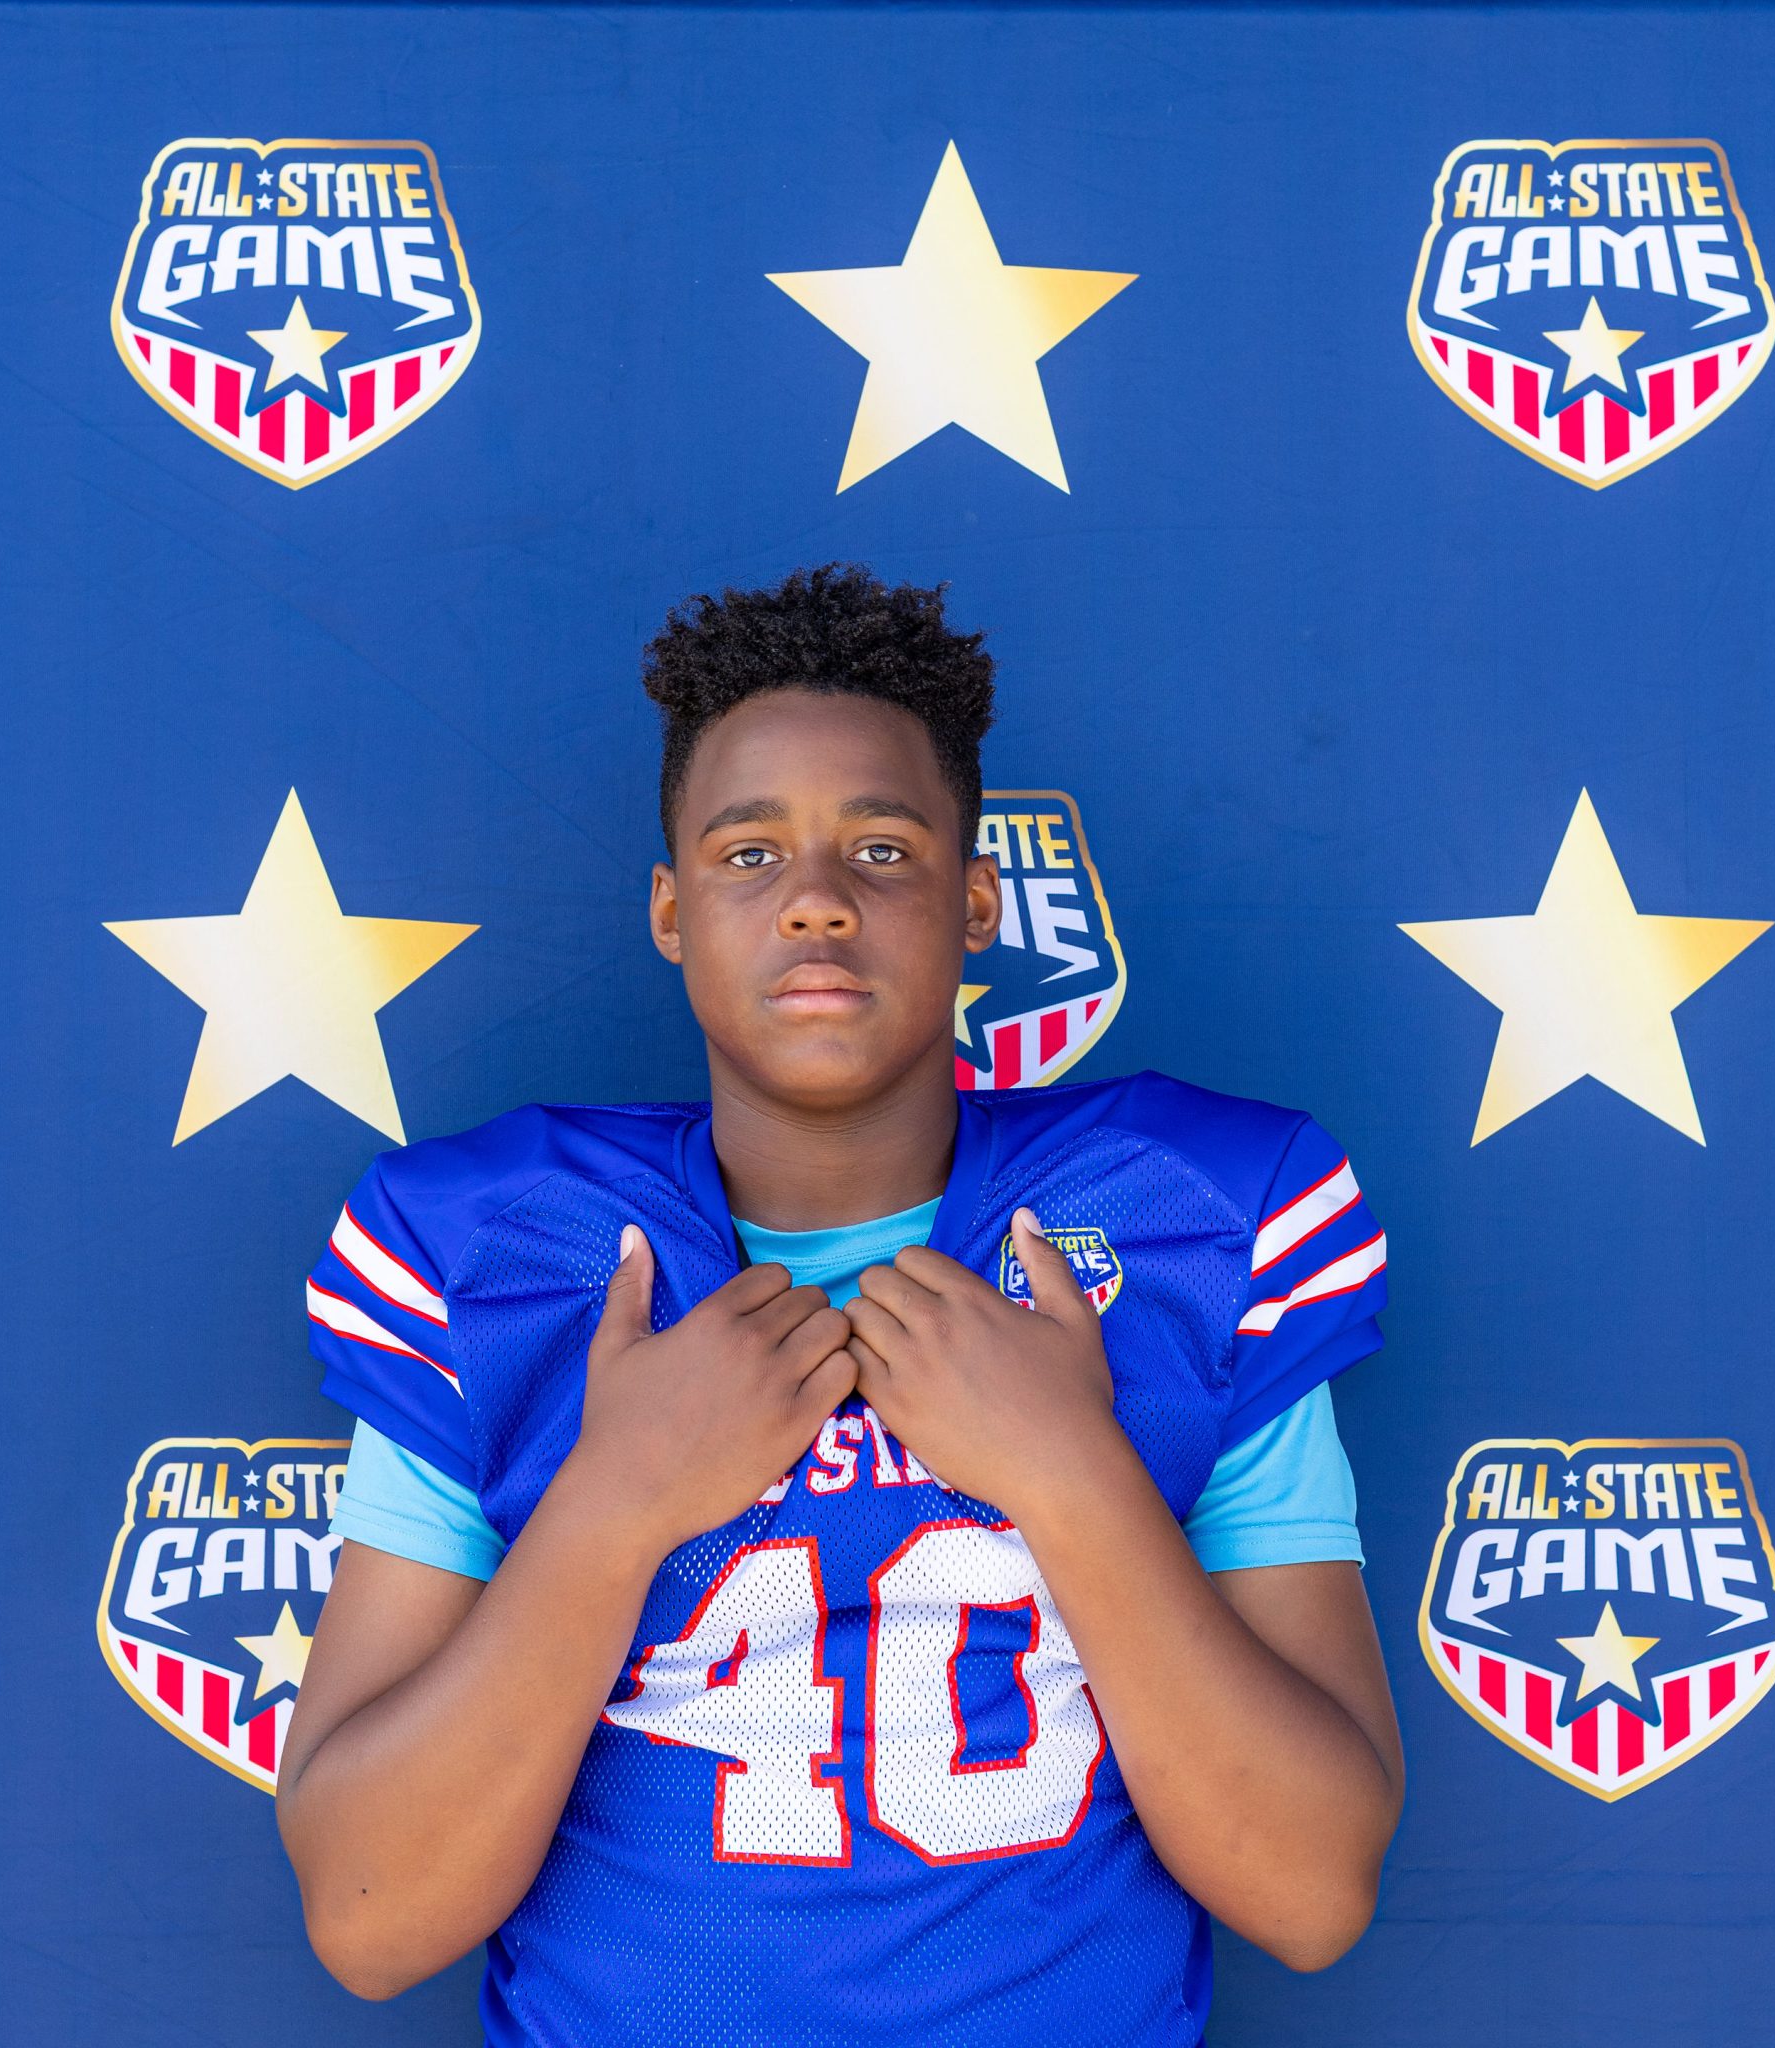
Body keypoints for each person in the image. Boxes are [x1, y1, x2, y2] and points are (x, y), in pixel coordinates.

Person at [277, 565, 1402, 2046]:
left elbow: (1311, 1890)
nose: (816, 900)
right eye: (749, 855)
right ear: (672, 912)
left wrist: (1071, 1471)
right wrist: (616, 1500)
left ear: (976, 901)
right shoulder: (501, 1251)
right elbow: (370, 1917)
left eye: (881, 848)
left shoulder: (1189, 1217)